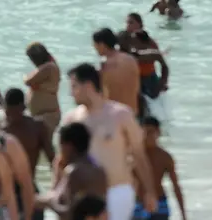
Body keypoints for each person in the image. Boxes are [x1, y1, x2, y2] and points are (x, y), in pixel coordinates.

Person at [60, 63, 158, 220]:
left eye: (74, 86)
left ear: (89, 86)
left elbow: (139, 155)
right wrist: (56, 190)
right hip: (83, 195)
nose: (71, 93)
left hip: (117, 191)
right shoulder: (71, 119)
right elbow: (62, 160)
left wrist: (150, 191)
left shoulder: (120, 114)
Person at [41, 122, 107, 220]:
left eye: (60, 146)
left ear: (68, 146)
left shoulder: (74, 172)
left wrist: (45, 202)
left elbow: (68, 211)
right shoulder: (99, 171)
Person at [133, 118, 186, 220]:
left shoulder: (165, 157)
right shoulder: (134, 156)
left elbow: (175, 186)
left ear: (158, 133)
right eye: (144, 132)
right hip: (139, 203)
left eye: (150, 132)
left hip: (160, 203)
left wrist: (183, 214)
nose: (147, 136)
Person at [23, 42, 61, 135]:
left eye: (31, 58)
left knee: (44, 143)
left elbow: (28, 81)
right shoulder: (47, 67)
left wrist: (25, 77)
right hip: (41, 115)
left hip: (48, 115)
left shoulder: (49, 67)